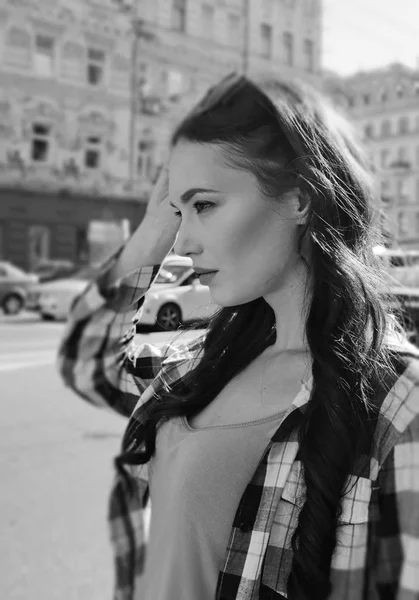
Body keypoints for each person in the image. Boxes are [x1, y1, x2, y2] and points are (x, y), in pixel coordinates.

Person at [58, 73, 419, 600]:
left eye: (204, 206)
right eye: (180, 212)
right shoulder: (197, 362)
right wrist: (155, 227)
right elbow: (87, 361)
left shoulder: (395, 402)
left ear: (299, 199)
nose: (182, 242)